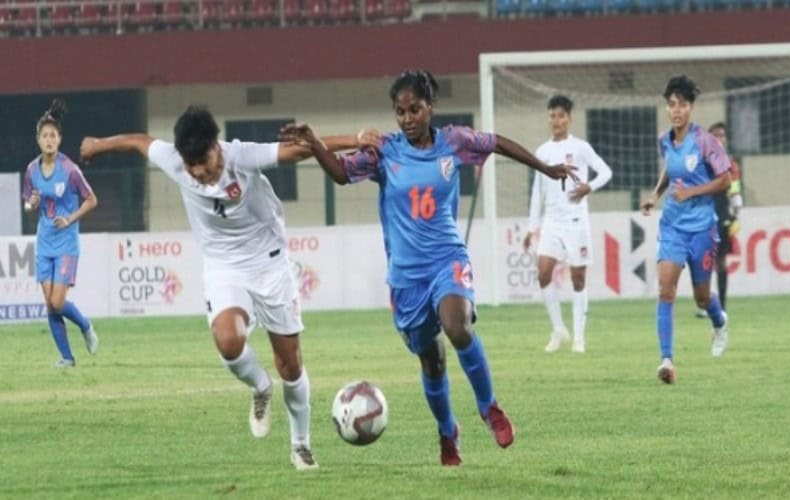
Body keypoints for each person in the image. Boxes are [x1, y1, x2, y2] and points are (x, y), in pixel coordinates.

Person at [280, 70, 577, 466]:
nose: (407, 118)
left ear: (430, 107)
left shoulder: (454, 141)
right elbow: (340, 174)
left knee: (457, 326)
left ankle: (489, 407)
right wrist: (315, 142)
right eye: (400, 111)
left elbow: (498, 143)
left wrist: (545, 168)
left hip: (446, 259)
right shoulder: (384, 151)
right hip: (407, 279)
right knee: (432, 361)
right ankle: (447, 431)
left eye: (415, 110)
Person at [80, 105, 379, 470]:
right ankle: (260, 386)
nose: (199, 173)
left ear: (216, 147)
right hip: (224, 268)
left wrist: (356, 139)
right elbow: (139, 142)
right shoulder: (176, 160)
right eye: (192, 166)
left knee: (290, 365)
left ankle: (300, 444)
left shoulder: (242, 156)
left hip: (270, 264)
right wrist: (98, 144)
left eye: (204, 162)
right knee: (228, 340)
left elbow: (300, 149)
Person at [641, 76, 732, 385]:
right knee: (665, 290)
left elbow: (726, 179)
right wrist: (655, 195)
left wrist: (692, 192)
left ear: (691, 107)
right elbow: (670, 168)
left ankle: (719, 322)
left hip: (702, 229)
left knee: (702, 298)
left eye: (682, 105)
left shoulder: (705, 141)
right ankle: (666, 360)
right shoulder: (664, 140)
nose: (676, 110)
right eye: (671, 105)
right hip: (672, 227)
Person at [522, 95, 613, 354]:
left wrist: (588, 187)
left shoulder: (581, 147)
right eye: (552, 116)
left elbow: (606, 172)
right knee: (543, 273)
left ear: (569, 119)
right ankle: (559, 329)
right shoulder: (542, 152)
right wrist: (532, 227)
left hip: (576, 220)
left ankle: (579, 338)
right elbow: (537, 192)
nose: (556, 120)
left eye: (561, 116)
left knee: (578, 278)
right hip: (552, 221)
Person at [22, 99, 99, 368]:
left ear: (60, 139)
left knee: (57, 301)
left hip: (66, 243)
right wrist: (32, 204)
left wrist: (70, 219)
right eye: (45, 136)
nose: (49, 140)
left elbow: (91, 200)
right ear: (38, 140)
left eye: (53, 136)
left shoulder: (70, 170)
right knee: (50, 303)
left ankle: (86, 326)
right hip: (44, 242)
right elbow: (29, 203)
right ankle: (67, 357)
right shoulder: (32, 170)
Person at [694, 121, 742, 317]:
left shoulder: (731, 165)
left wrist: (736, 215)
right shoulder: (701, 163)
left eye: (722, 135)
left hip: (722, 215)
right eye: (715, 135)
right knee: (701, 259)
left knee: (720, 260)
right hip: (703, 214)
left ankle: (721, 306)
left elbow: (735, 191)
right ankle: (705, 303)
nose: (719, 139)